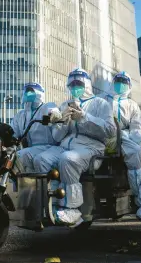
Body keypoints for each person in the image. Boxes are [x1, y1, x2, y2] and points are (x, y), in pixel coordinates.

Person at [33, 68, 116, 225]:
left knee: (68, 160)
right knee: (41, 159)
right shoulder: (66, 104)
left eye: (78, 83)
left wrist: (84, 118)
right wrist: (61, 123)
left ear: (87, 84)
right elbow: (57, 137)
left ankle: (73, 209)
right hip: (66, 146)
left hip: (91, 148)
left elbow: (109, 131)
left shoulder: (101, 104)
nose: (74, 87)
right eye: (71, 84)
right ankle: (54, 203)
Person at [102, 71, 141, 226]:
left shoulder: (132, 105)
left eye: (124, 82)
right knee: (135, 153)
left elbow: (137, 129)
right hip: (109, 139)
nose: (120, 84)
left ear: (129, 86)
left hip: (127, 138)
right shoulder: (103, 102)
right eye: (118, 81)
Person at [10, 82, 61, 173]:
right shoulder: (20, 115)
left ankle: (42, 186)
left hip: (48, 147)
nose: (28, 94)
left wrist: (54, 114)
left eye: (31, 92)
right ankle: (21, 186)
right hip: (30, 149)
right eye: (26, 92)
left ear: (39, 94)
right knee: (17, 167)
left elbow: (53, 111)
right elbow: (13, 132)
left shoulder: (47, 106)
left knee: (20, 156)